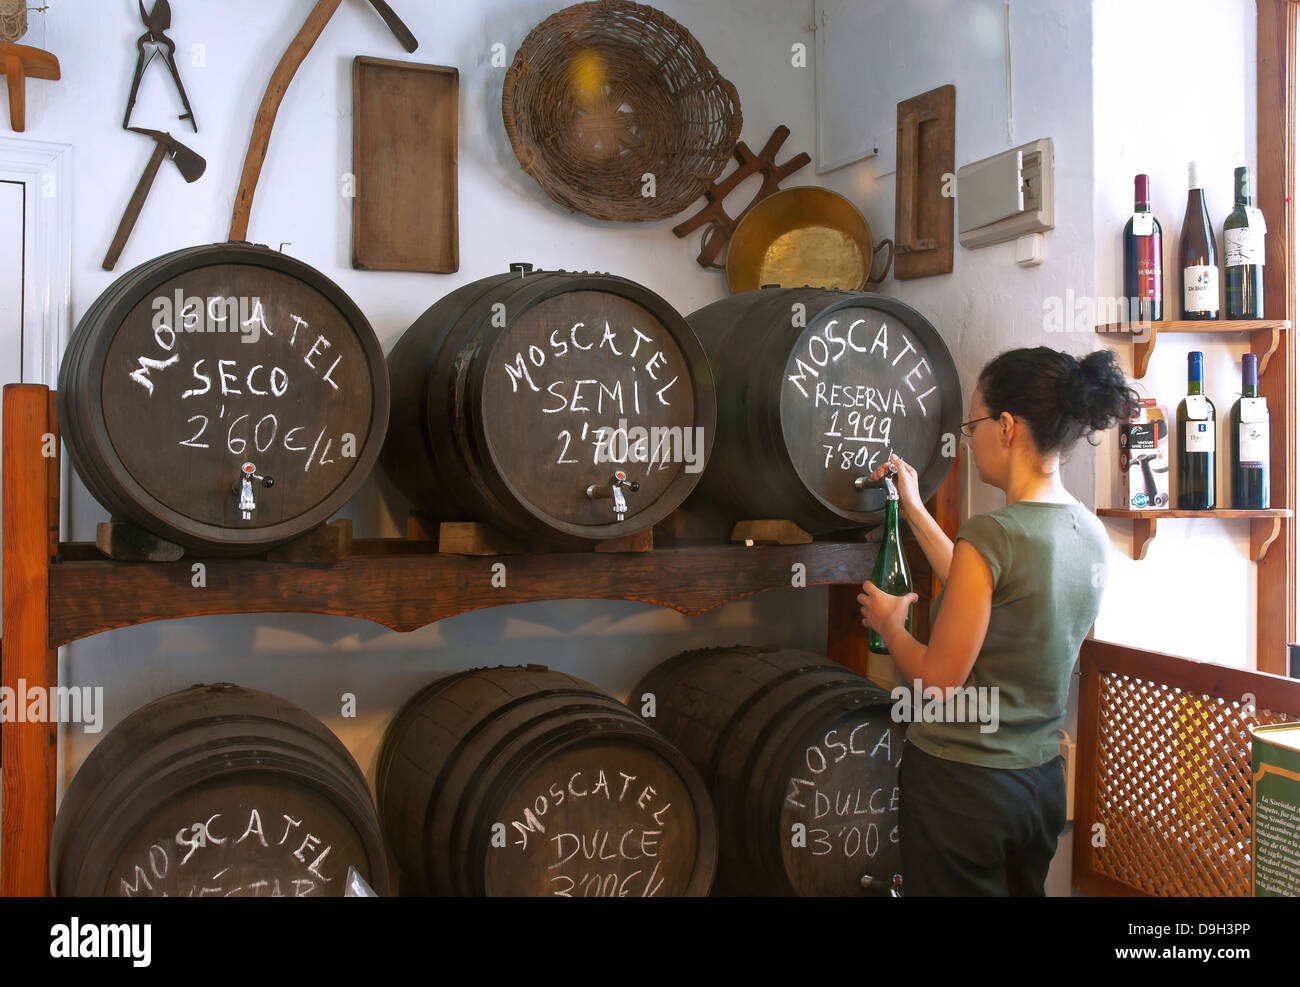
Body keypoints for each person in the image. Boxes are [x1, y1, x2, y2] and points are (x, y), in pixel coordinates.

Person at [858, 346, 1138, 896]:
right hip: (1037, 786)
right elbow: (985, 587)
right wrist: (914, 506)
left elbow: (937, 683)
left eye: (974, 424)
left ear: (1006, 427)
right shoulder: (1089, 533)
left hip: (962, 785)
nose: (970, 437)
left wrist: (892, 627)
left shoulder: (994, 534)